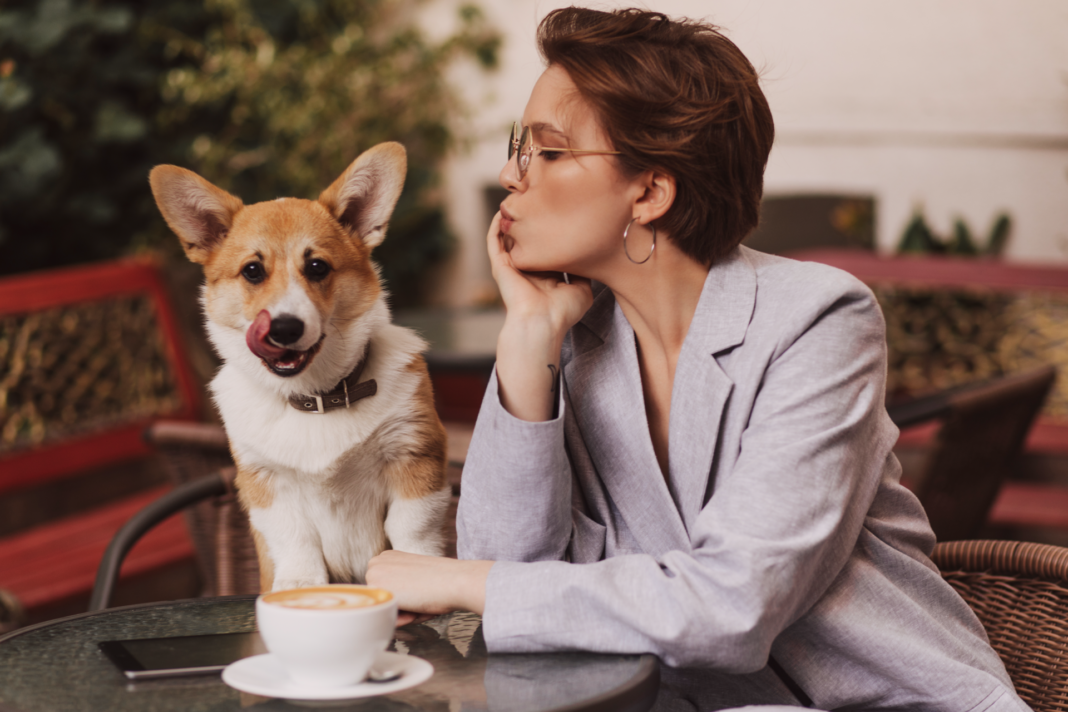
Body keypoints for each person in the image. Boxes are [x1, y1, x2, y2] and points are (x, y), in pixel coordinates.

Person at [367, 7, 1028, 711]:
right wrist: (528, 342)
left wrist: (465, 585)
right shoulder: (566, 337)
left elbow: (732, 607)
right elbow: (512, 581)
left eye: (549, 152)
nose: (510, 173)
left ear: (650, 191)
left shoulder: (817, 320)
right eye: (517, 147)